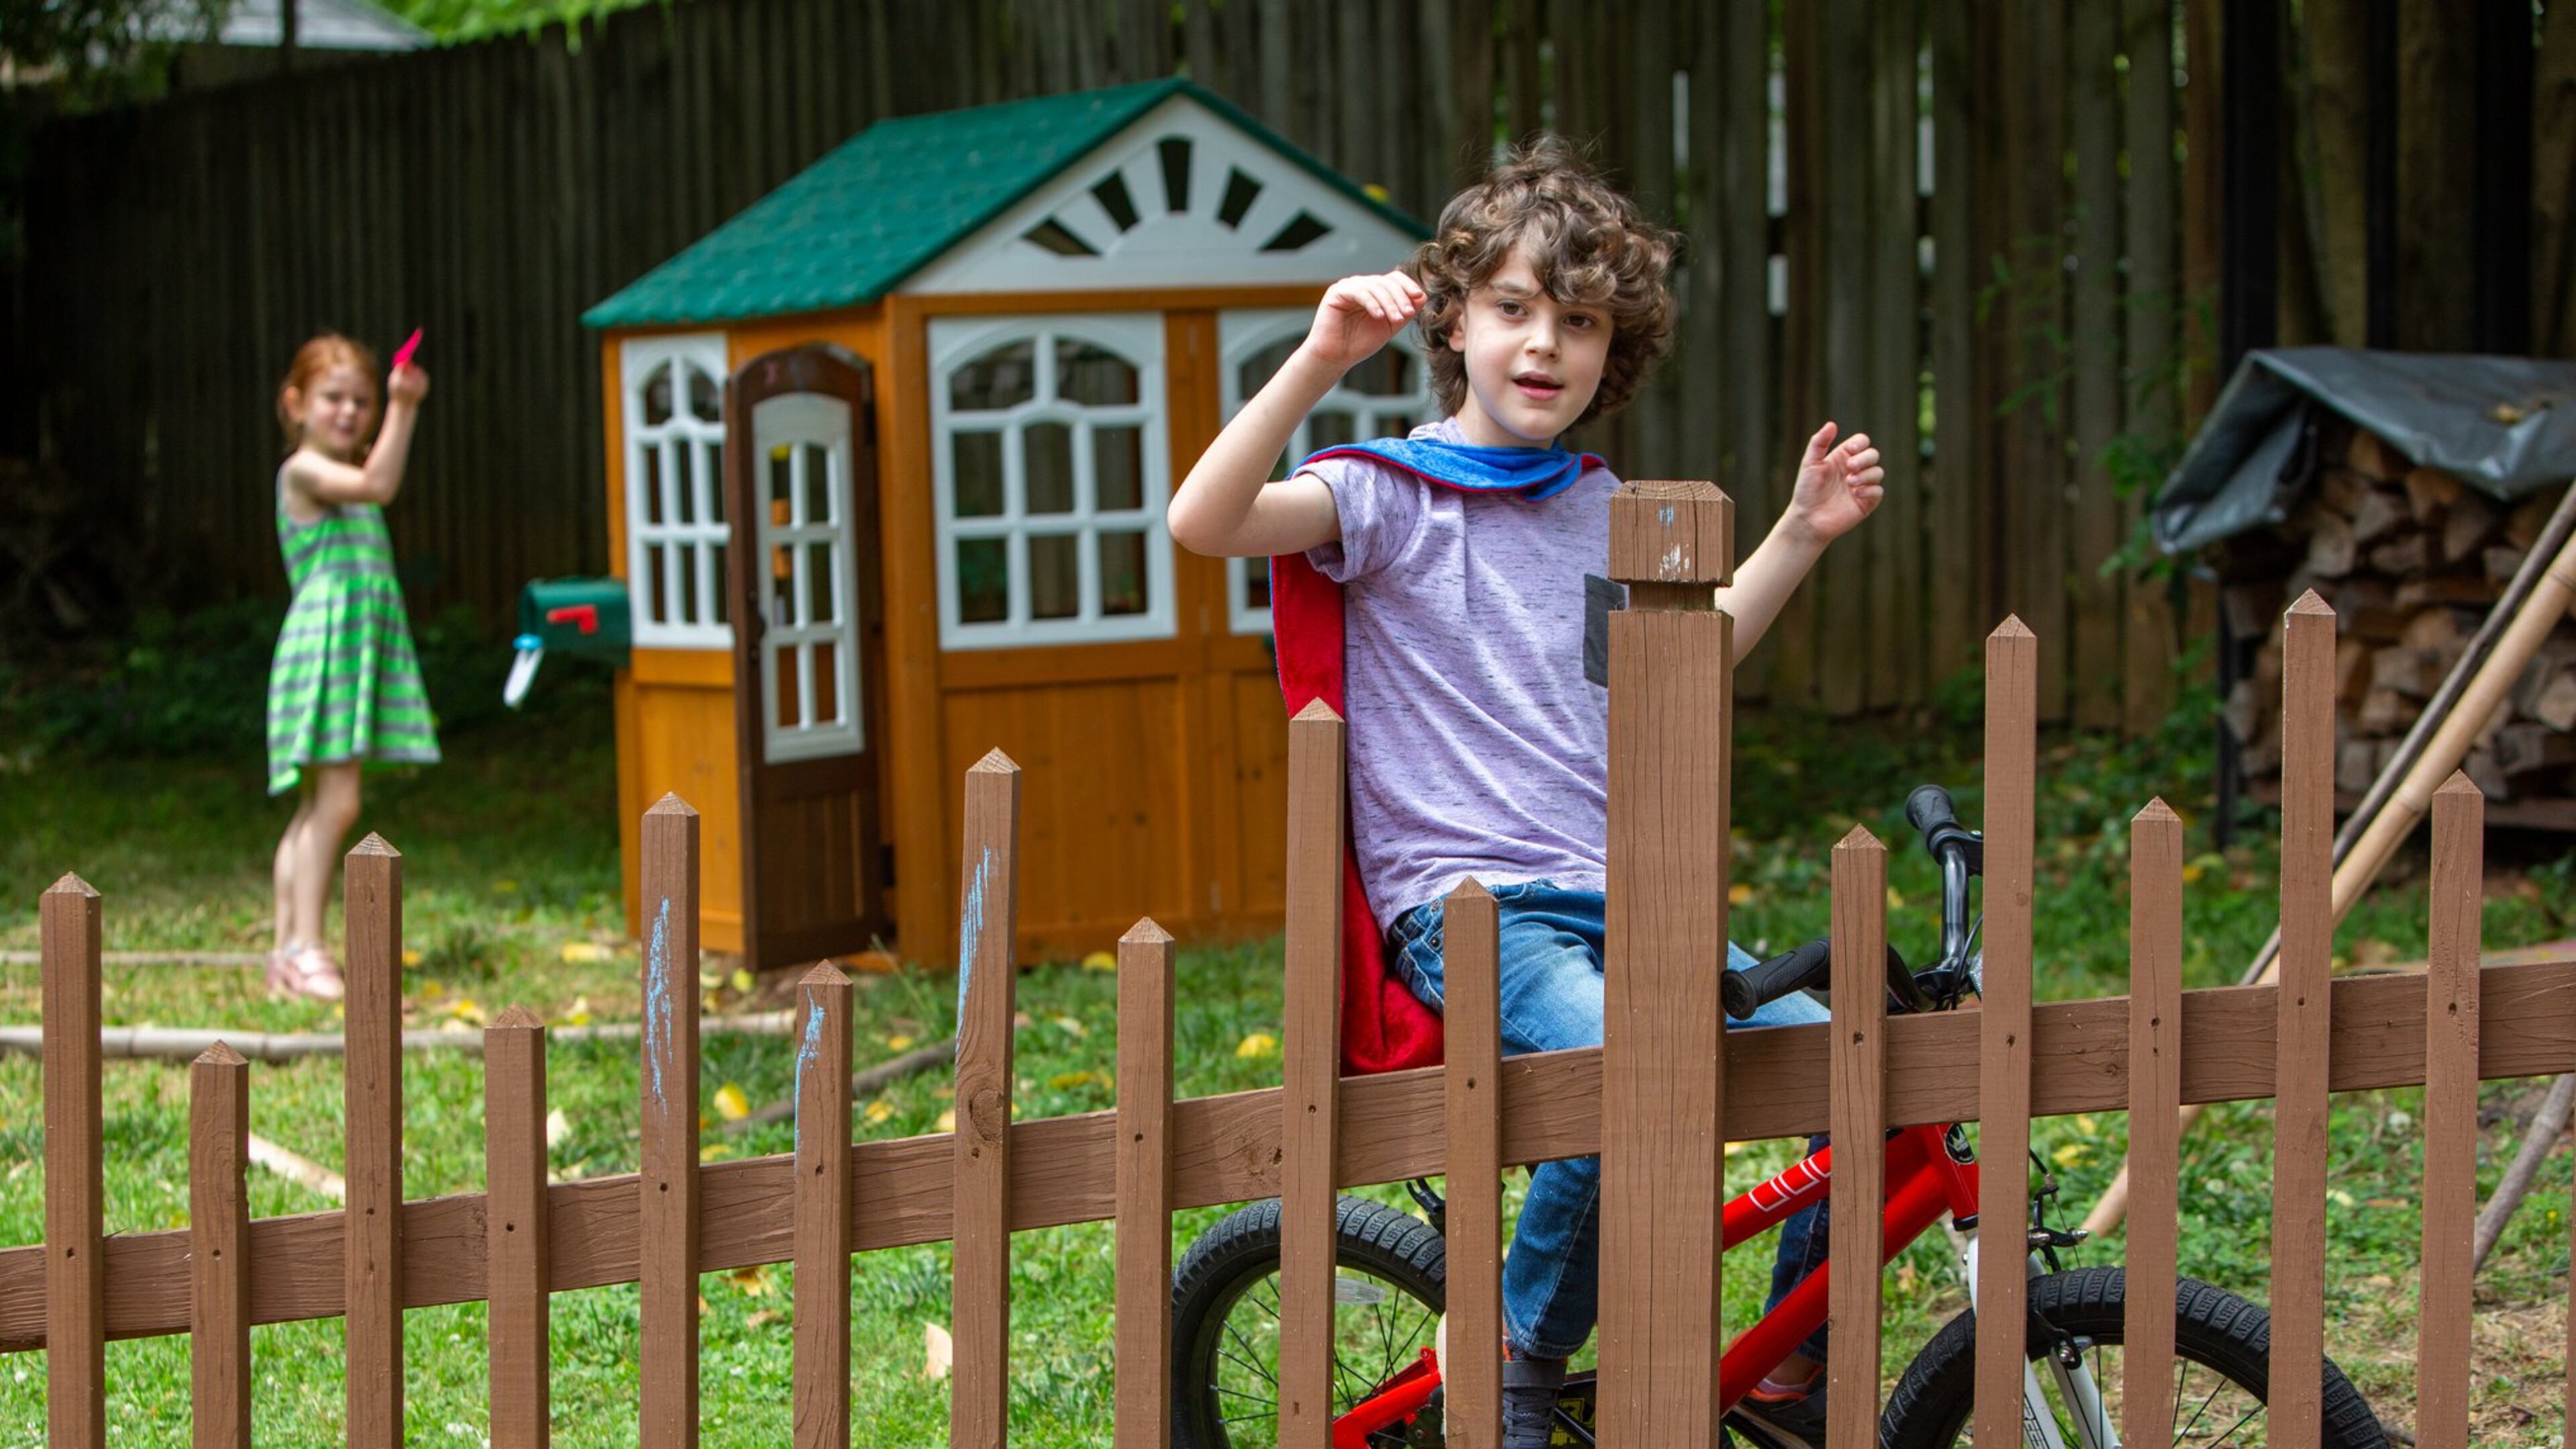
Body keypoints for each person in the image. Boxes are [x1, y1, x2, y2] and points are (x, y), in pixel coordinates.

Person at [1167, 139, 1882, 1448]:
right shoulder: (1380, 496)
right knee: (1627, 1071)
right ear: (1452, 321)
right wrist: (1321, 356)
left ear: (1617, 354)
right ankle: (1515, 1349)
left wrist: (1797, 533)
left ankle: (1788, 1375)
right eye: (1514, 309)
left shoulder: (1601, 505)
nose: (1546, 344)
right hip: (1479, 910)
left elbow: (1693, 661)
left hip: (1623, 895)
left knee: (1866, 1067)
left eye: (1583, 322)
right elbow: (1204, 524)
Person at [263, 334, 439, 1002]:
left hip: (341, 652)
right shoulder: (305, 470)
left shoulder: (337, 469)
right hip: (326, 654)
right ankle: (307, 946)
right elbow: (379, 485)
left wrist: (392, 413)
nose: (350, 411)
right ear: (296, 404)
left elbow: (372, 478)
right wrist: (406, 406)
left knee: (315, 807)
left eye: (363, 401)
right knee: (339, 801)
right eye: (333, 398)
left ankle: (286, 950)